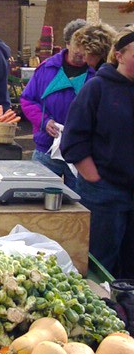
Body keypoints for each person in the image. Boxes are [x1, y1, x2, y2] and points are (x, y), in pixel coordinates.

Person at [61, 27, 134, 277]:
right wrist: (94, 177)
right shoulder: (98, 88)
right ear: (119, 55)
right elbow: (73, 140)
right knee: (100, 264)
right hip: (104, 193)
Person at [20, 18, 94, 190]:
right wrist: (44, 122)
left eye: (84, 46)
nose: (80, 51)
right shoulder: (47, 68)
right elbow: (27, 99)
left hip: (81, 153)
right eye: (76, 45)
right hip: (46, 148)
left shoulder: (96, 74)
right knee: (37, 197)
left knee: (80, 206)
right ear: (67, 43)